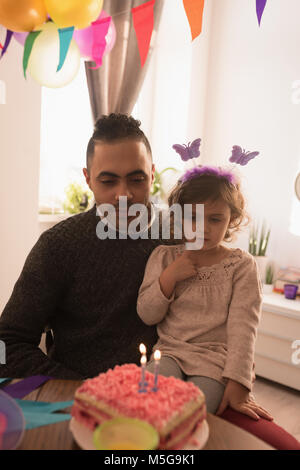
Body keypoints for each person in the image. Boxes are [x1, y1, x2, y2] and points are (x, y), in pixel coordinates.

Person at [0, 113, 164, 379]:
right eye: (108, 181)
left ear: (152, 174)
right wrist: (81, 388)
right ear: (88, 179)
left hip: (164, 393)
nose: (124, 195)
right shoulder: (58, 246)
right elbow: (7, 343)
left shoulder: (179, 237)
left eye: (137, 179)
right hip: (79, 398)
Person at [137, 166, 274, 421]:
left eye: (214, 219)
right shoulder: (164, 257)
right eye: (193, 218)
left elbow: (244, 329)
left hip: (213, 363)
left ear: (231, 219)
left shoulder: (241, 266)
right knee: (147, 403)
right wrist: (169, 277)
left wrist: (239, 381)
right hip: (169, 353)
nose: (203, 228)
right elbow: (147, 314)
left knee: (190, 416)